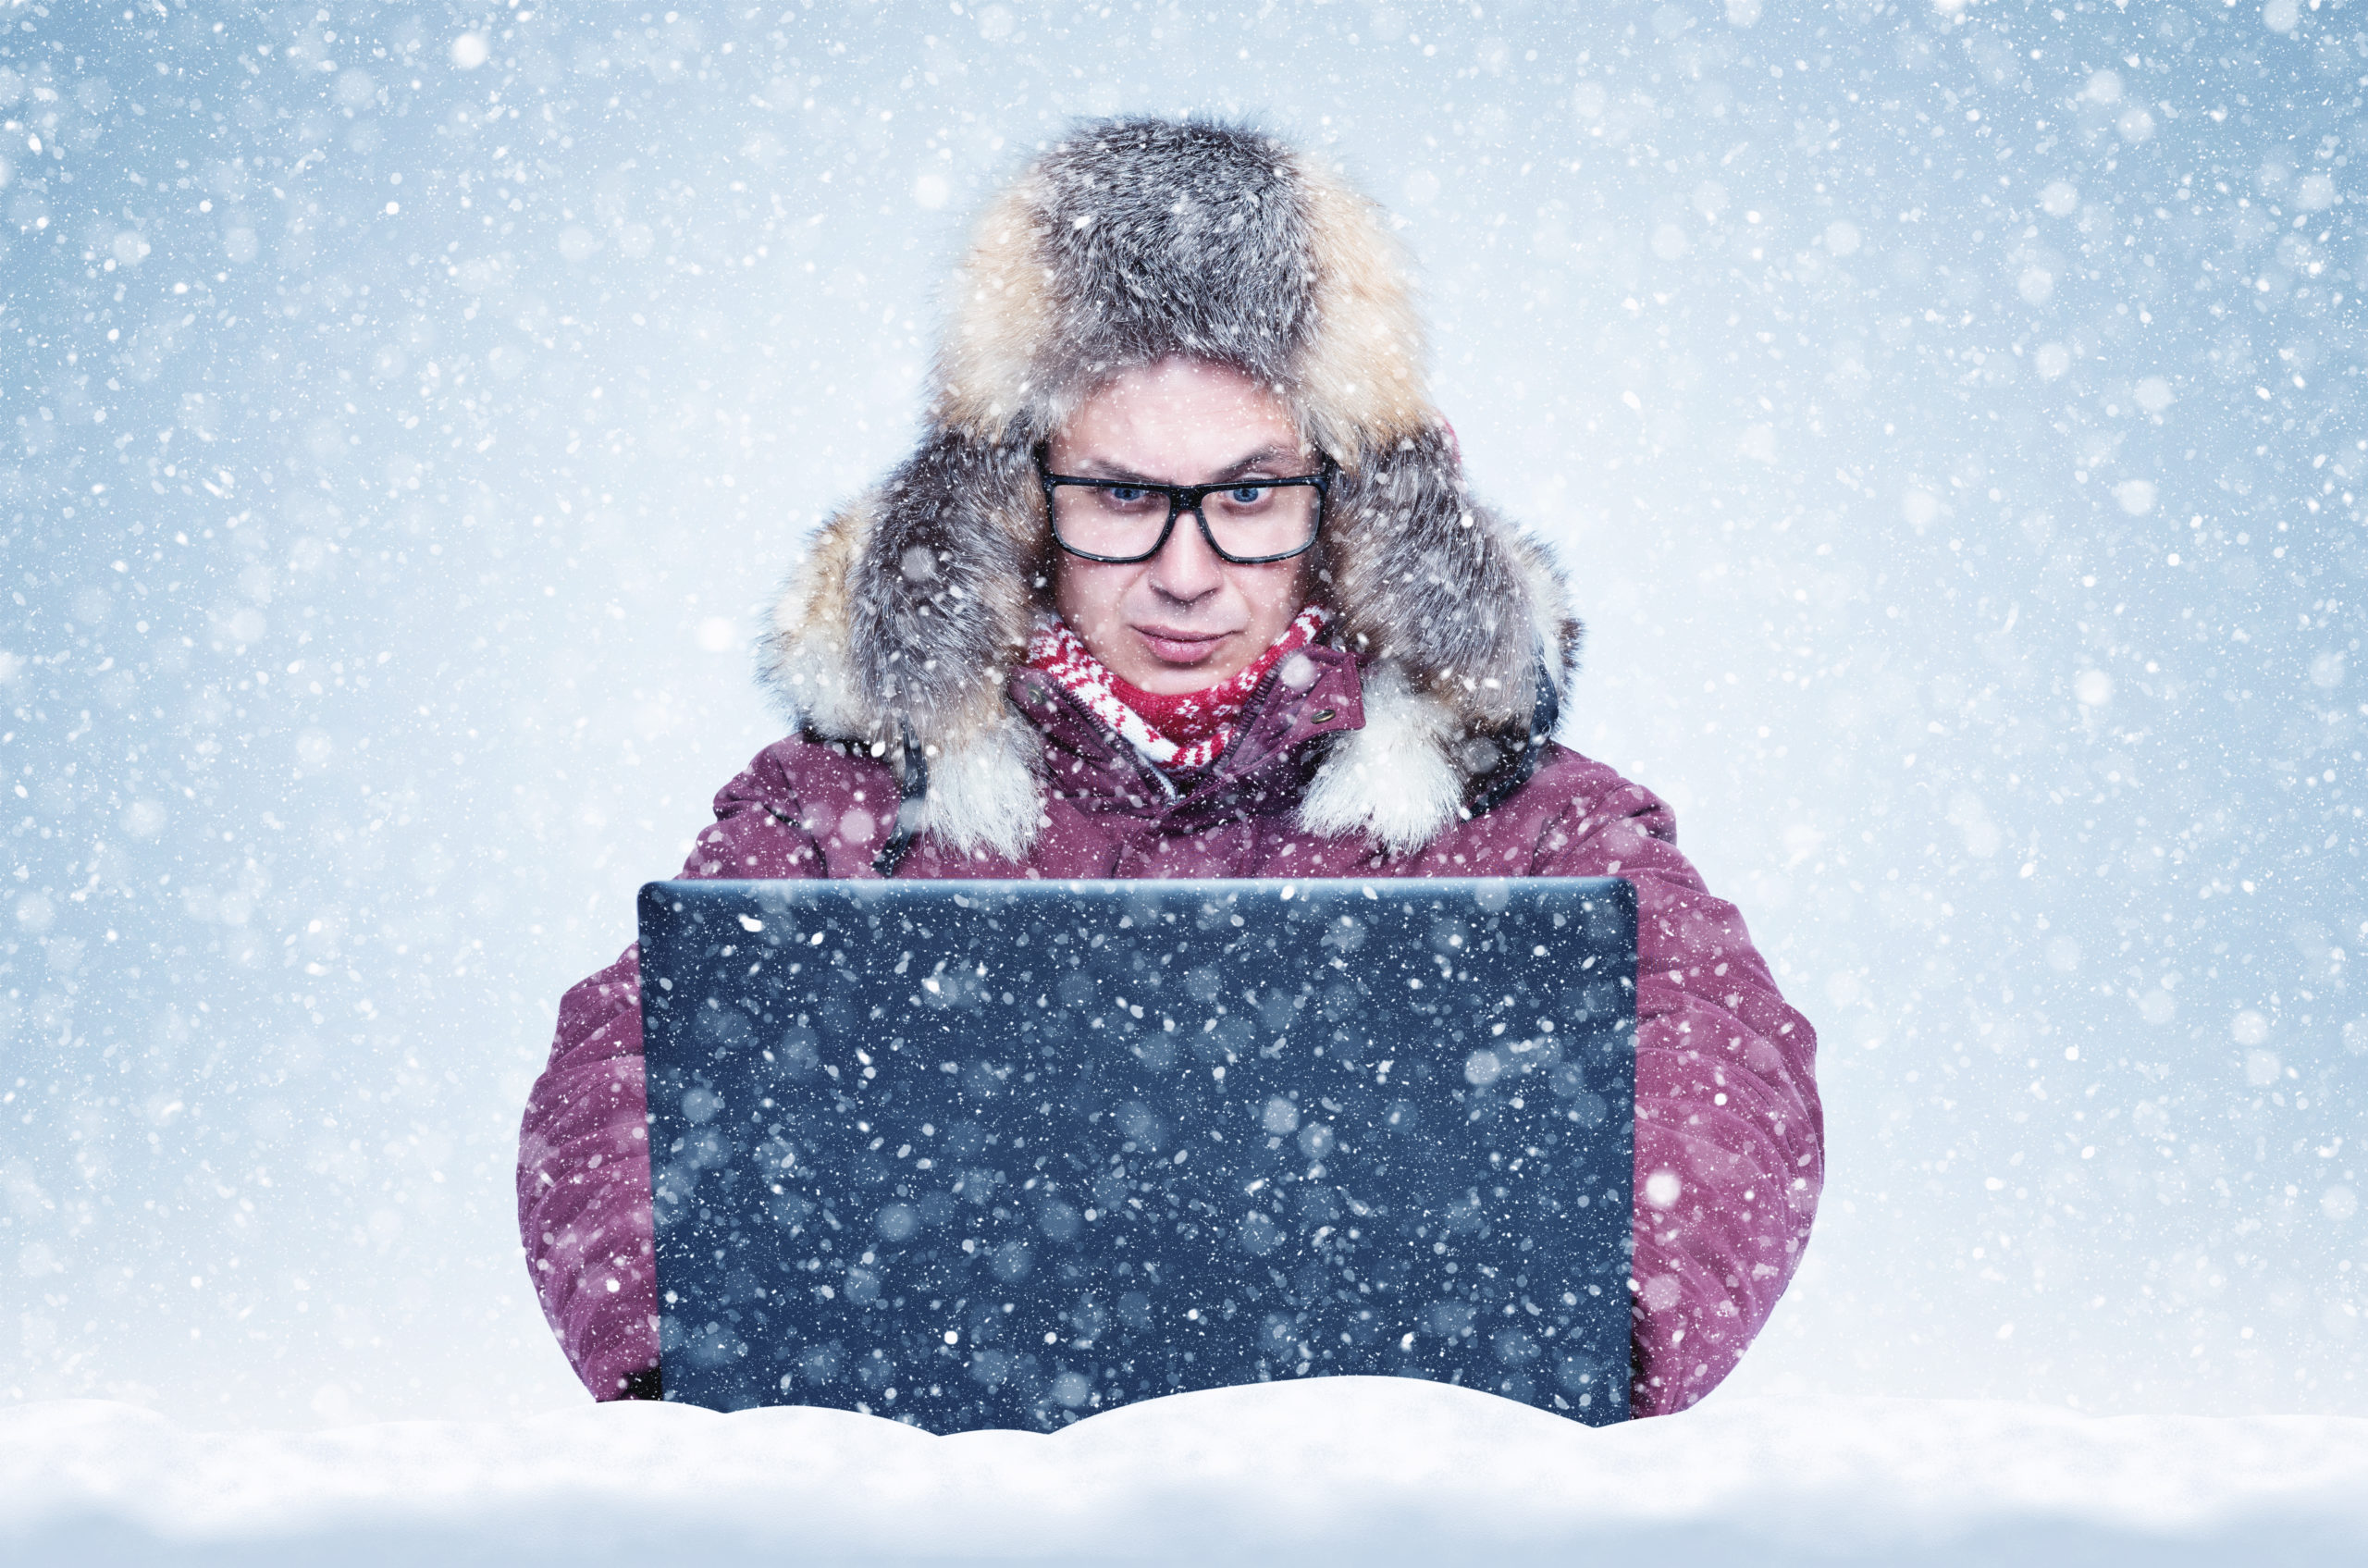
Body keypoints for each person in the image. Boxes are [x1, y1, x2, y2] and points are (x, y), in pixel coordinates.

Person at [516, 117, 1823, 1418]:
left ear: (1352, 497)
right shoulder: (844, 813)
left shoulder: (1534, 825)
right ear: (1016, 500)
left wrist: (1563, 1375)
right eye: (1127, 497)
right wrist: (705, 1388)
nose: (1187, 573)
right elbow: (621, 1094)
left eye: (1250, 496)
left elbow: (1725, 1079)